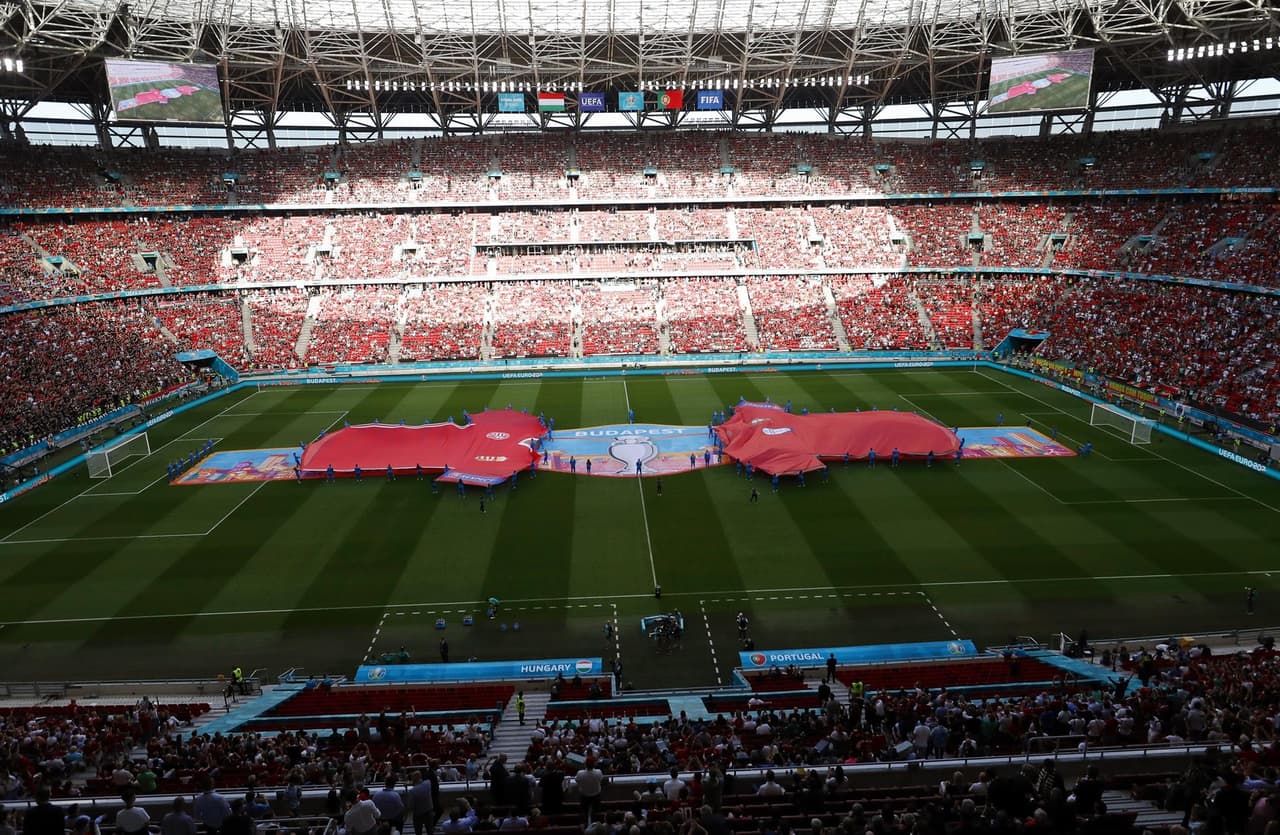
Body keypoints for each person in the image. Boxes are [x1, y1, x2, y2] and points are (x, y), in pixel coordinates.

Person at [574, 759, 605, 825]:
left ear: (585, 765)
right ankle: (595, 825)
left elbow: (577, 780)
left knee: (584, 812)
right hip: (596, 795)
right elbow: (601, 780)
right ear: (594, 764)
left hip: (584, 795)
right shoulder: (598, 772)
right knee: (595, 812)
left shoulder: (580, 773)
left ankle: (585, 825)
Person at [408, 770, 435, 835]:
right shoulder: (428, 783)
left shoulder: (412, 791)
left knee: (418, 831)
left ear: (413, 780)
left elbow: (411, 806)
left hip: (418, 814)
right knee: (430, 830)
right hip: (429, 811)